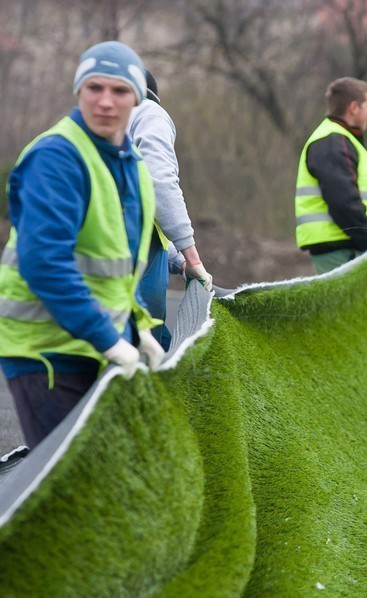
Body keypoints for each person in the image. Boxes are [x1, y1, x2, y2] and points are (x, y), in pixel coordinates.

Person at [0, 41, 164, 449]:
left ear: (138, 99)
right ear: (78, 91)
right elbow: (45, 265)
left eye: (120, 91)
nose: (106, 102)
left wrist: (135, 328)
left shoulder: (133, 167)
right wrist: (110, 339)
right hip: (47, 354)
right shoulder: (57, 158)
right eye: (95, 88)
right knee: (69, 497)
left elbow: (115, 271)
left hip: (92, 348)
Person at [128, 69, 213, 351]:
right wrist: (193, 256)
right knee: (146, 349)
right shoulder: (149, 113)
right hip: (136, 252)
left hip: (125, 248)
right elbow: (160, 183)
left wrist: (179, 262)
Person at [294, 77, 367, 274]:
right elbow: (344, 203)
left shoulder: (339, 139)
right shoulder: (332, 142)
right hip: (338, 247)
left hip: (346, 244)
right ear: (354, 107)